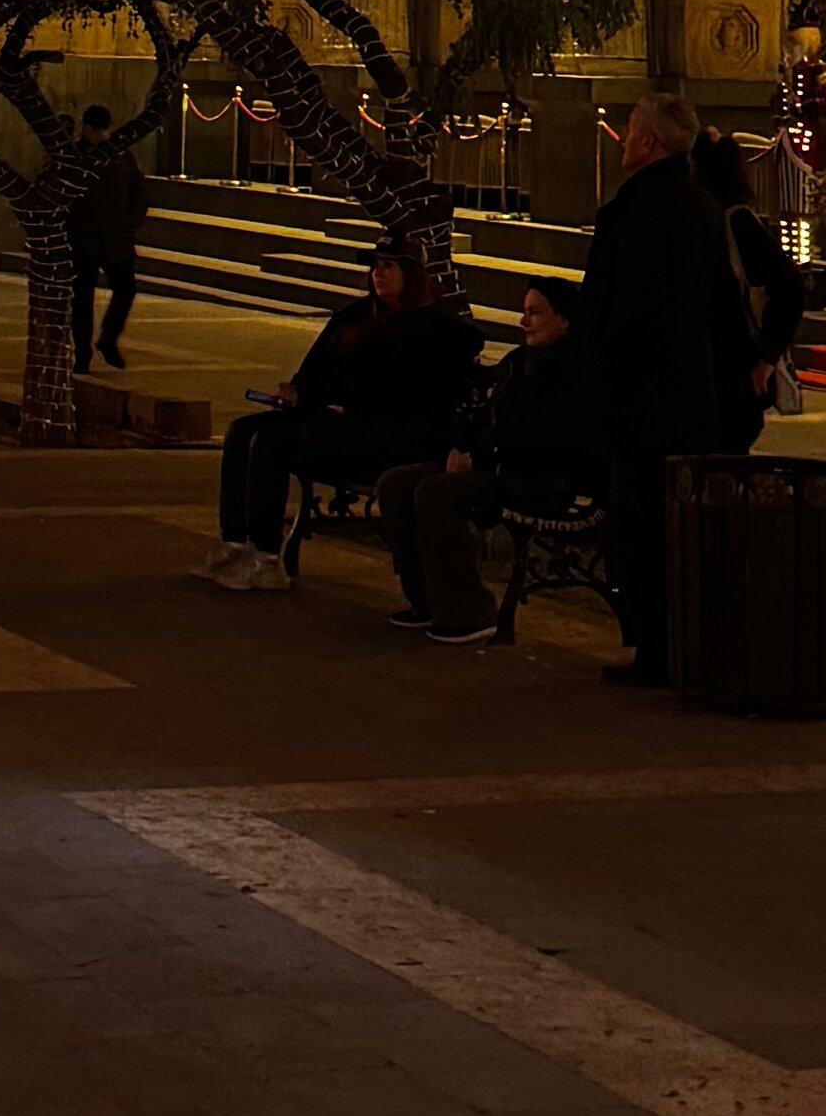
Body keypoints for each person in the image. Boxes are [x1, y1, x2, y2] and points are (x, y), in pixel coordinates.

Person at [576, 92, 756, 679]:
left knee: (642, 528)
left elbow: (613, 311)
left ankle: (655, 647)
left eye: (630, 131)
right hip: (695, 398)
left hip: (641, 399)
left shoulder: (634, 213)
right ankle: (679, 642)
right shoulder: (702, 205)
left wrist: (597, 381)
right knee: (676, 530)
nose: (624, 139)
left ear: (649, 142)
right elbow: (724, 310)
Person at [201, 239, 480, 588]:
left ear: (411, 274)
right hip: (327, 417)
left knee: (271, 442)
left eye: (389, 266)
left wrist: (344, 405)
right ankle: (234, 541)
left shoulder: (434, 330)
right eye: (375, 265)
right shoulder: (357, 316)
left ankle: (267, 555)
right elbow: (316, 367)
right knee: (242, 431)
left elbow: (409, 394)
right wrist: (298, 392)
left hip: (379, 431)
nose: (378, 273)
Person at [369, 278, 605, 643]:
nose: (523, 322)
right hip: (493, 466)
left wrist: (480, 459)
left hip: (538, 482)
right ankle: (425, 599)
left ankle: (467, 611)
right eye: (524, 312)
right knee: (396, 483)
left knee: (437, 492)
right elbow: (484, 416)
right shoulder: (519, 361)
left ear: (565, 321)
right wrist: (459, 448)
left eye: (534, 313)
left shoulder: (573, 373)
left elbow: (545, 441)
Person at [695, 123, 808, 421]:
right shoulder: (706, 218)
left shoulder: (735, 221)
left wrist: (767, 355)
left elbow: (791, 286)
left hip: (735, 363)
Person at [68, 108, 147, 367]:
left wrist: (132, 221)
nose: (99, 135)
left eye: (103, 130)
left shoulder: (121, 155)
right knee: (82, 299)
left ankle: (108, 338)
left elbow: (138, 189)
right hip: (83, 239)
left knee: (125, 290)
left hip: (116, 238)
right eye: (94, 130)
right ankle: (82, 353)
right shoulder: (74, 156)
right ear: (85, 129)